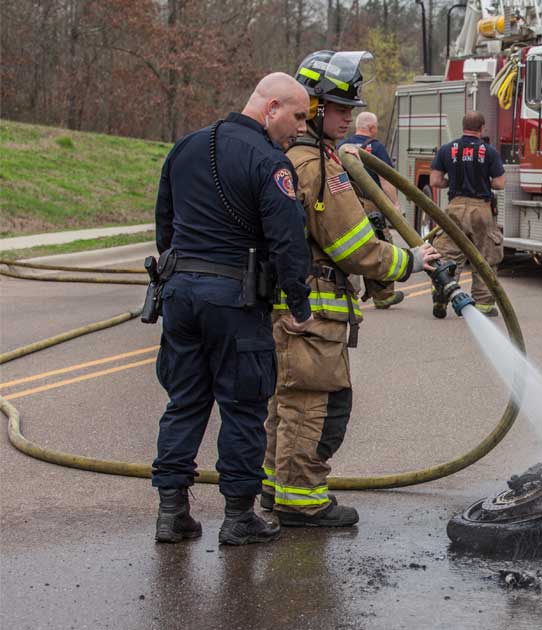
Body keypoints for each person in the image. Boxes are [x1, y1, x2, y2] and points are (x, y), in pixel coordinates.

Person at [260, 50, 440, 527]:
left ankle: (275, 490)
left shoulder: (289, 157)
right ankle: (302, 502)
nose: (346, 118)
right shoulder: (319, 166)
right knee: (314, 406)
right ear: (314, 109)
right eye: (339, 108)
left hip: (288, 310)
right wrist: (412, 262)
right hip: (313, 316)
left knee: (288, 403)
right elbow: (355, 246)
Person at [151, 72, 314, 546]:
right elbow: (288, 241)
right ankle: (240, 517)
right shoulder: (269, 161)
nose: (301, 128)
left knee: (183, 402)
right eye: (297, 116)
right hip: (236, 301)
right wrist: (299, 305)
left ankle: (171, 513)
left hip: (180, 295)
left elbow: (166, 222)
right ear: (271, 109)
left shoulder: (185, 147)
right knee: (243, 406)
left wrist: (181, 274)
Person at [428, 111, 505, 318]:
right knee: (485, 257)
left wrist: (451, 182)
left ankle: (441, 295)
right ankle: (483, 305)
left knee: (448, 254)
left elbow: (435, 181)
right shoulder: (488, 151)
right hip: (481, 209)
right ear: (482, 128)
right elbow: (499, 183)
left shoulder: (447, 149)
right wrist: (483, 182)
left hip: (454, 207)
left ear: (463, 126)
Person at [337, 111, 404, 310]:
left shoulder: (343, 147)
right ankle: (383, 295)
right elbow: (385, 178)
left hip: (347, 204)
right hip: (370, 204)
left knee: (350, 246)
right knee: (380, 245)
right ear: (372, 128)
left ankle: (348, 293)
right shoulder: (374, 147)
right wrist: (394, 204)